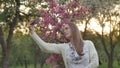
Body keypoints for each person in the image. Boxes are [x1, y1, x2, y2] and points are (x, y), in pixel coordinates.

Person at [29, 22, 99, 68]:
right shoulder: (64, 47)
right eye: (64, 29)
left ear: (73, 29)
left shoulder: (88, 44)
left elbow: (95, 62)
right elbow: (45, 47)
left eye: (66, 28)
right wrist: (33, 33)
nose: (64, 31)